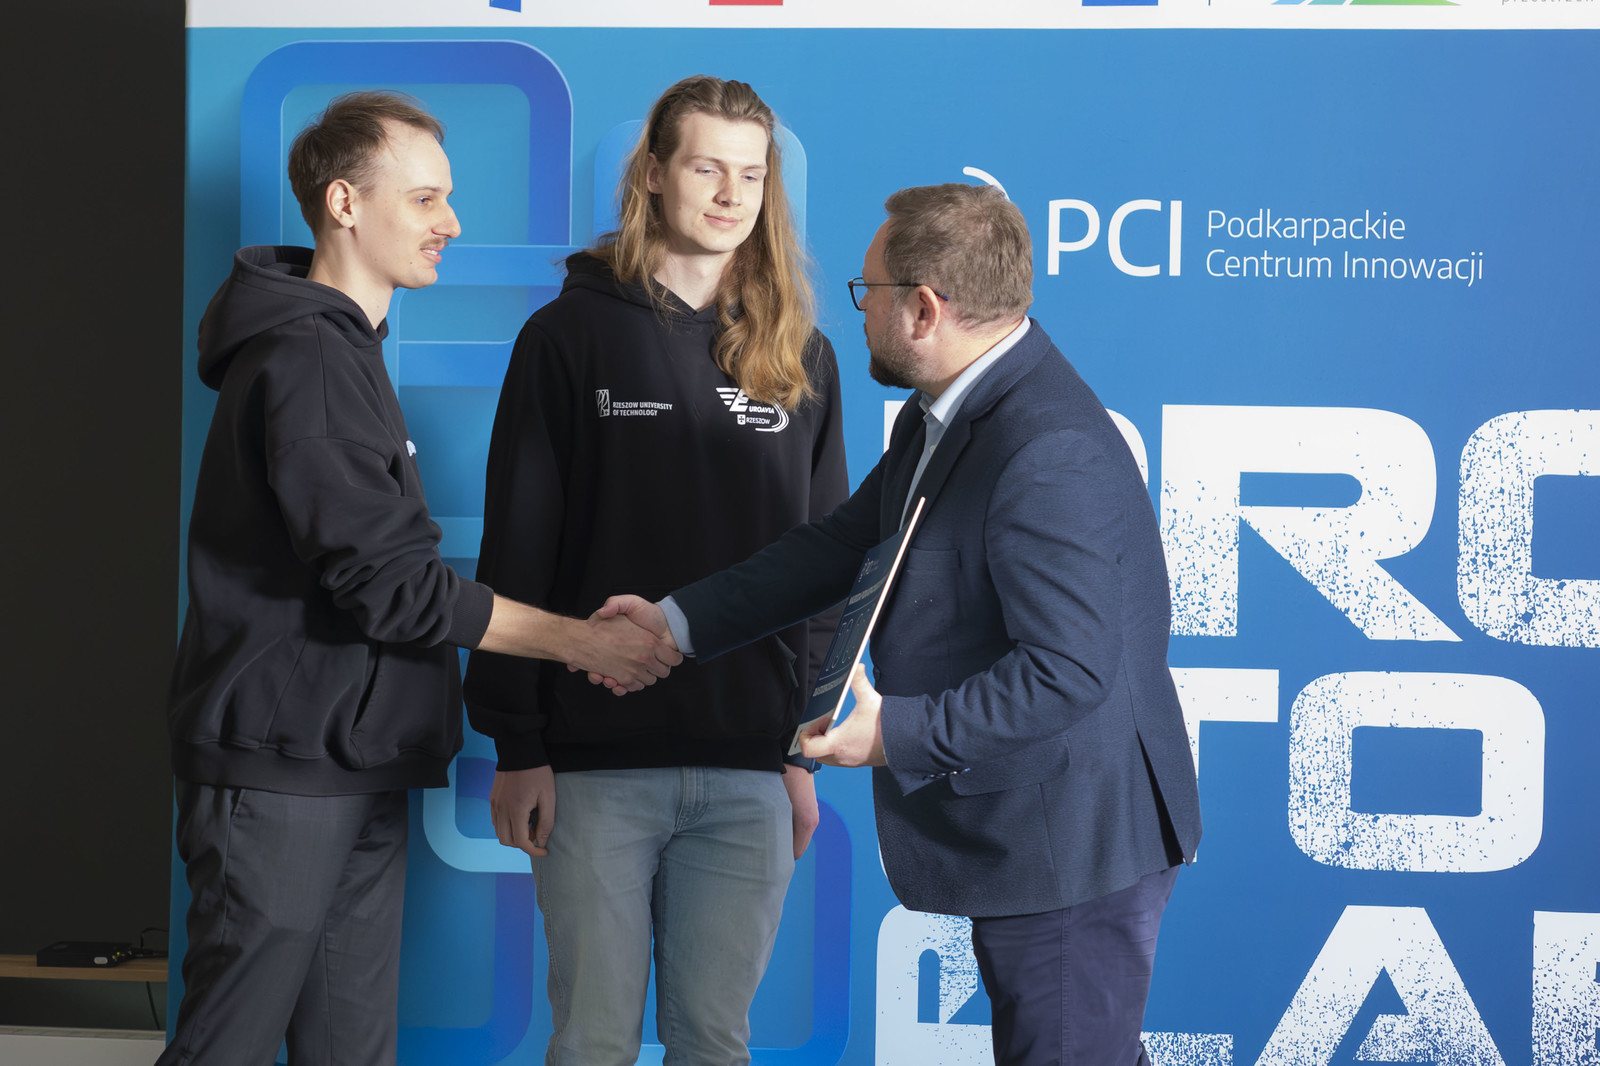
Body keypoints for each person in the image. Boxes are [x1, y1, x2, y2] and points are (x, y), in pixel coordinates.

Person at [603, 183, 1203, 1066]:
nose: (861, 311)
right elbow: (843, 546)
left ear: (924, 308)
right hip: (1042, 833)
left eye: (869, 291)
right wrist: (674, 622)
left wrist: (894, 734)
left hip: (1073, 844)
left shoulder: (1045, 447)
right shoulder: (951, 411)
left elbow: (1069, 671)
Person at [162, 90, 678, 1066]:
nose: (452, 222)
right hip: (283, 774)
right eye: (426, 198)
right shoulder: (308, 359)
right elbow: (391, 587)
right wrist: (580, 641)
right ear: (345, 203)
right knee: (226, 1047)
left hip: (354, 764)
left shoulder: (343, 352)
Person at [462, 75, 849, 1065]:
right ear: (653, 175)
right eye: (707, 167)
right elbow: (519, 548)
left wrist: (800, 749)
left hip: (750, 769)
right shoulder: (567, 337)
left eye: (751, 175)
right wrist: (517, 742)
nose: (730, 194)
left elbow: (827, 566)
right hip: (594, 765)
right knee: (592, 1041)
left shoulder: (800, 353)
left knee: (714, 1042)